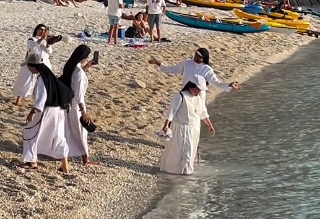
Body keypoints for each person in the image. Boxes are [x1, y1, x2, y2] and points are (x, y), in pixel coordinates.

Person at [20, 52, 74, 174]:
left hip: (46, 111)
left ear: (35, 66)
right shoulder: (49, 76)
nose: (28, 68)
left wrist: (33, 112)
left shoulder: (41, 79)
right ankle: (65, 166)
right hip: (58, 111)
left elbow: (41, 98)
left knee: (30, 133)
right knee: (58, 136)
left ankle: (31, 162)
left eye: (29, 66)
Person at [160, 75, 214, 175]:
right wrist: (166, 125)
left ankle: (185, 172)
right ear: (191, 86)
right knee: (183, 152)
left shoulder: (198, 98)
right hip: (182, 128)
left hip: (194, 129)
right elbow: (172, 111)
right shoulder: (180, 96)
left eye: (200, 90)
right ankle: (179, 173)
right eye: (197, 89)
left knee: (191, 151)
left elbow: (202, 113)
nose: (198, 92)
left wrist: (209, 125)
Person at [148, 48, 241, 106]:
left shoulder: (207, 69)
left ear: (203, 59)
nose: (195, 58)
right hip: (185, 93)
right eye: (195, 55)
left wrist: (229, 85)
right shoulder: (187, 63)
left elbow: (216, 83)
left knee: (194, 119)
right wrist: (158, 63)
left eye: (198, 57)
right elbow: (173, 69)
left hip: (198, 96)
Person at [59, 45, 99, 166]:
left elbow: (73, 79)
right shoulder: (79, 73)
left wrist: (86, 67)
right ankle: (85, 159)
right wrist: (83, 112)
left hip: (68, 104)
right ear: (83, 58)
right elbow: (79, 96)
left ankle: (64, 154)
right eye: (86, 58)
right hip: (77, 106)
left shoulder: (70, 67)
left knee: (68, 129)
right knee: (81, 131)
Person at [13, 24, 53, 106]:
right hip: (32, 62)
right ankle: (18, 100)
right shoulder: (32, 39)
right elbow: (33, 46)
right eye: (40, 29)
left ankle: (41, 101)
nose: (42, 31)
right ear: (36, 30)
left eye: (44, 30)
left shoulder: (46, 41)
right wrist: (42, 38)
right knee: (26, 81)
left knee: (43, 83)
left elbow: (50, 52)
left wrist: (48, 42)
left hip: (44, 63)